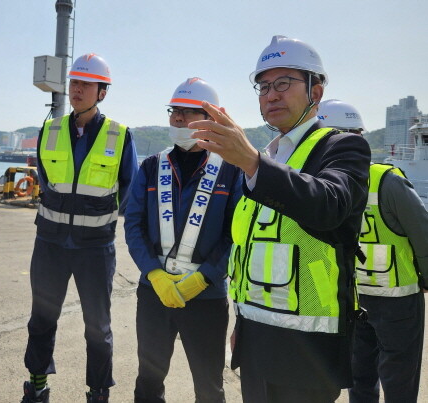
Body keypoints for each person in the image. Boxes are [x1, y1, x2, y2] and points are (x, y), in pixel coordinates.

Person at [188, 35, 371, 402]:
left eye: (284, 83)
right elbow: (252, 250)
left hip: (308, 351)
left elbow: (329, 205)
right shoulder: (269, 156)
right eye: (264, 86)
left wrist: (253, 162)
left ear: (316, 92)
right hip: (257, 342)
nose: (271, 95)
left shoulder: (342, 147)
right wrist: (243, 322)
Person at [21, 53, 138, 403]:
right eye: (74, 82)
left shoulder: (120, 135)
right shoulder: (50, 129)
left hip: (95, 248)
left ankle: (98, 392)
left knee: (98, 328)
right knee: (41, 319)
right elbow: (46, 179)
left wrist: (97, 222)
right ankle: (37, 384)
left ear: (102, 92)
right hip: (50, 244)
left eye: (87, 84)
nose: (78, 89)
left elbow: (127, 190)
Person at [124, 77, 243, 402]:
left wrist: (205, 277)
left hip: (205, 298)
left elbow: (237, 235)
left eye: (188, 112)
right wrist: (154, 273)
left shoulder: (232, 170)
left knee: (208, 387)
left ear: (211, 119)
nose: (178, 118)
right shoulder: (151, 167)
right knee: (148, 382)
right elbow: (133, 226)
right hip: (154, 293)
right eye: (174, 111)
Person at [318, 99, 428, 403]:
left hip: (355, 298)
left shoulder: (318, 187)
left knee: (360, 377)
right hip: (396, 300)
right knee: (397, 378)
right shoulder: (386, 181)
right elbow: (422, 232)